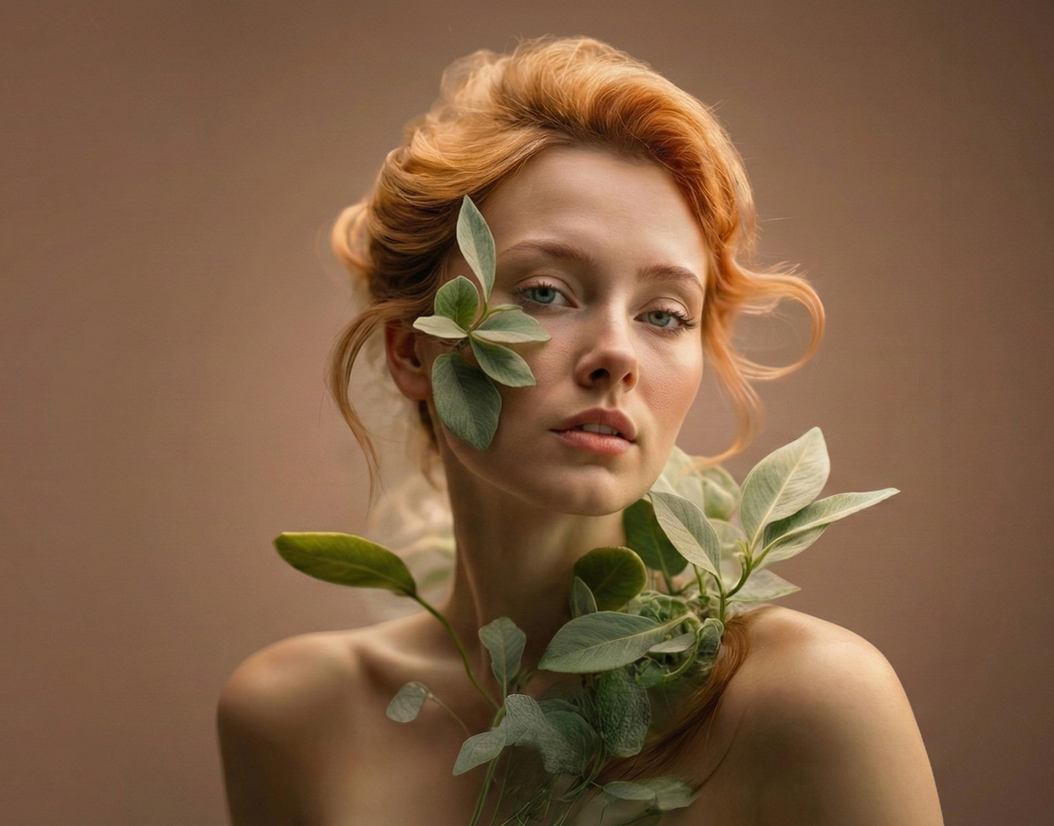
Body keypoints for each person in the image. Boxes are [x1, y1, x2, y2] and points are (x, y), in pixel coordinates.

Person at [216, 36, 942, 824]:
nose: (615, 358)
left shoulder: (805, 702)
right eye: (546, 293)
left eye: (663, 314)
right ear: (411, 349)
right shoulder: (294, 718)